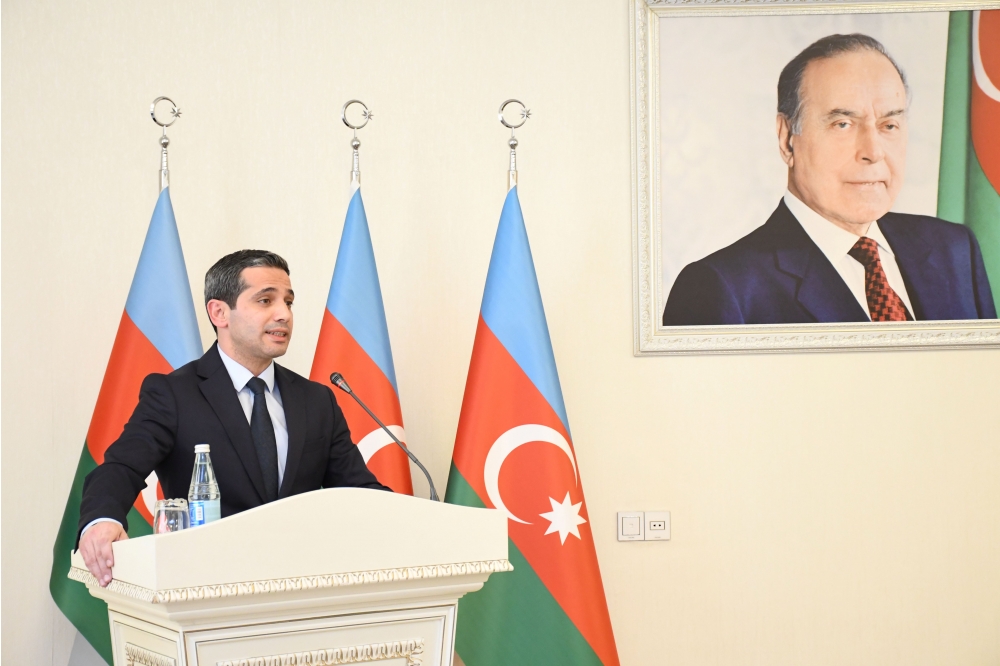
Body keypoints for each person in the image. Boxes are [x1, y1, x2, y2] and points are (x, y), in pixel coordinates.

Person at [77, 250, 389, 586]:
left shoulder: (316, 400)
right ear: (219, 312)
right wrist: (102, 519)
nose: (284, 314)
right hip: (206, 586)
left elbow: (360, 492)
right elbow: (121, 467)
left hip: (302, 587)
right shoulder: (174, 395)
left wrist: (412, 519)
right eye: (265, 300)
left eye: (288, 302)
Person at [662, 33, 996, 326]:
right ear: (787, 139)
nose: (873, 152)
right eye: (843, 125)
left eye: (889, 125)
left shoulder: (954, 249)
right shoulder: (720, 290)